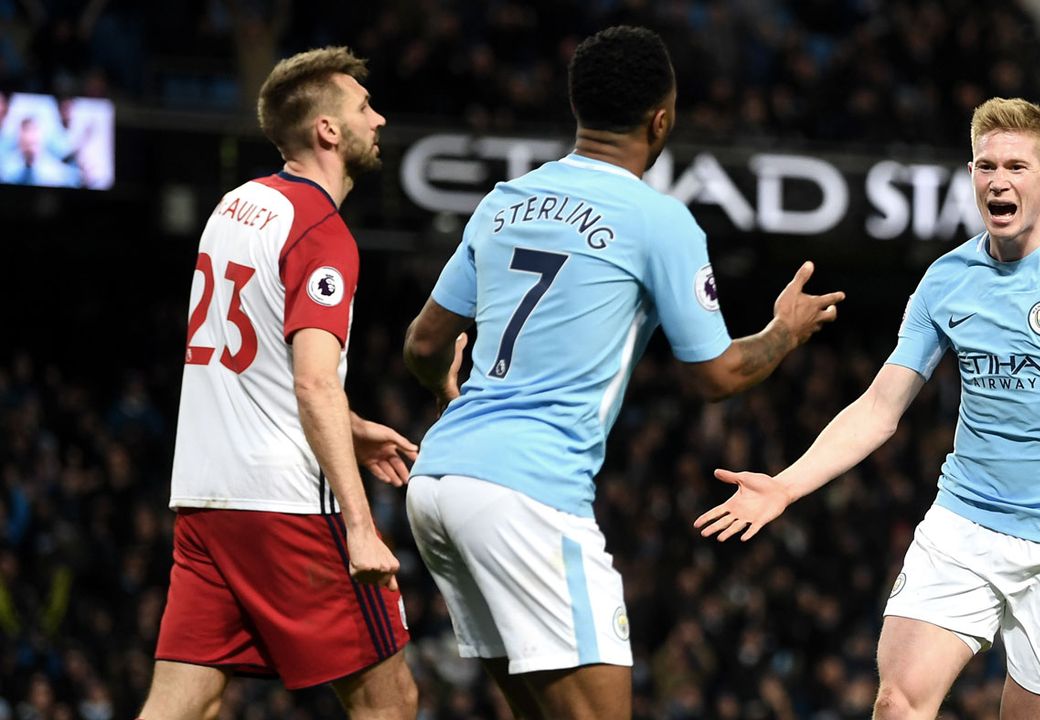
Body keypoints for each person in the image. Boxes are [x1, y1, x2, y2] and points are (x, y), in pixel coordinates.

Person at [400, 25, 844, 720]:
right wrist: (784, 333)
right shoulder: (657, 220)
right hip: (530, 496)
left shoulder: (503, 202)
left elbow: (426, 344)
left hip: (438, 485)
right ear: (660, 119)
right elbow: (715, 376)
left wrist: (444, 394)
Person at [697, 97, 1040, 719]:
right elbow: (880, 407)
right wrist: (785, 487)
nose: (999, 180)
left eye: (1016, 166)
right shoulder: (946, 279)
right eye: (986, 166)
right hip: (964, 522)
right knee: (897, 700)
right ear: (971, 175)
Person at [140, 47, 425, 720]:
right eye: (363, 107)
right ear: (327, 131)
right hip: (287, 505)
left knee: (184, 704)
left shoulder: (234, 206)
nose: (378, 118)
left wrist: (349, 431)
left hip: (206, 497)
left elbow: (253, 362)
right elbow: (314, 386)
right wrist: (359, 525)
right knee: (391, 701)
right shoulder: (322, 231)